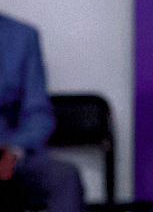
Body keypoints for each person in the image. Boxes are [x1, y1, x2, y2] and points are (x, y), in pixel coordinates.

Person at [0, 12, 82, 212]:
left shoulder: (22, 36)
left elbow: (38, 113)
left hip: (9, 154)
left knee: (64, 177)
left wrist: (15, 149)